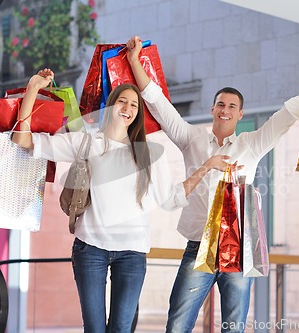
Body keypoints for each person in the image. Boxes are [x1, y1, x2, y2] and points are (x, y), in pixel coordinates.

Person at [125, 35, 299, 332]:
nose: (225, 110)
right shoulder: (191, 139)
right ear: (213, 110)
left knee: (234, 327)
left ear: (240, 114)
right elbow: (159, 104)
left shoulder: (251, 144)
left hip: (238, 250)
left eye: (232, 106)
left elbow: (287, 115)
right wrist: (135, 61)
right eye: (220, 104)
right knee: (177, 324)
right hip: (198, 247)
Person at [12, 68, 235, 333]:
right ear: (110, 106)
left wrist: (206, 166)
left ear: (137, 114)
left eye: (134, 104)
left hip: (132, 253)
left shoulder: (149, 154)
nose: (128, 108)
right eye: (122, 101)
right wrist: (33, 88)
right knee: (94, 329)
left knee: (120, 328)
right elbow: (22, 140)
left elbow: (171, 199)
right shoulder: (87, 143)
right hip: (90, 249)